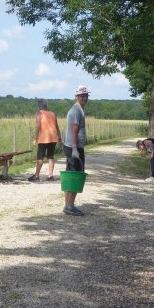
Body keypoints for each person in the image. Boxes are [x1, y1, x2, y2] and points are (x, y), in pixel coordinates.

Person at [62, 85, 89, 216]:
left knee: (70, 176)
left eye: (86, 95)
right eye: (82, 95)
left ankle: (67, 204)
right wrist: (74, 148)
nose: (84, 98)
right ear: (76, 96)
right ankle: (70, 206)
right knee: (75, 177)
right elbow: (73, 129)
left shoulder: (79, 109)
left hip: (74, 147)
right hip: (74, 148)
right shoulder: (76, 110)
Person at [28, 99, 62, 182]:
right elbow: (57, 127)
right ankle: (50, 176)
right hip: (53, 138)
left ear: (39, 106)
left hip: (43, 138)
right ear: (46, 105)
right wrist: (60, 138)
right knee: (51, 157)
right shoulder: (53, 114)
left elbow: (38, 127)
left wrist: (35, 139)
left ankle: (36, 176)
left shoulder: (39, 114)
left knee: (40, 157)